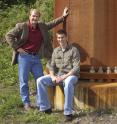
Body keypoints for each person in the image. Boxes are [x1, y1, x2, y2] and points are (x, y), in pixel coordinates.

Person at [5, 8, 69, 111]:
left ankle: (41, 104)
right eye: (33, 16)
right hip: (24, 57)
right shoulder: (22, 26)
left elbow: (51, 24)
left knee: (39, 80)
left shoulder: (42, 26)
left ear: (39, 17)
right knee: (24, 81)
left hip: (36, 57)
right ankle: (26, 103)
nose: (34, 18)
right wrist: (17, 48)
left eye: (36, 16)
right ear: (29, 17)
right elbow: (9, 35)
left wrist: (63, 17)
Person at [36, 29, 80, 122]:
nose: (60, 39)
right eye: (58, 38)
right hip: (58, 75)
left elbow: (76, 68)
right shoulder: (56, 51)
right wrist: (52, 76)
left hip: (71, 76)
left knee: (68, 83)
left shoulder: (73, 50)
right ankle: (45, 107)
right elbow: (51, 66)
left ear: (66, 38)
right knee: (40, 80)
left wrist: (64, 77)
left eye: (62, 37)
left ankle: (68, 112)